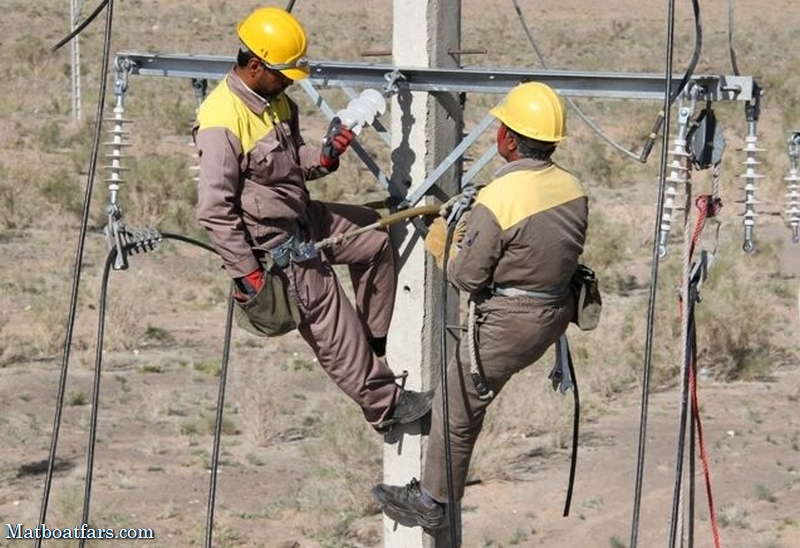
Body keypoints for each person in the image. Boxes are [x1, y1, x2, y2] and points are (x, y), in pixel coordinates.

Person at [194, 6, 433, 433]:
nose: (289, 81)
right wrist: (248, 273)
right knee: (330, 322)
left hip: (304, 215)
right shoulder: (221, 120)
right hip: (273, 243)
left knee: (374, 236)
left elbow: (291, 163)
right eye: (283, 73)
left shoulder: (276, 100)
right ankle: (385, 406)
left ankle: (372, 343)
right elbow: (215, 209)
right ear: (254, 66)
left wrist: (324, 156)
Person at [372, 82, 589, 529]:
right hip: (553, 312)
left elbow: (467, 276)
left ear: (507, 139)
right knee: (464, 398)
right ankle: (436, 487)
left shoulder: (500, 199)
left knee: (456, 408)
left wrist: (445, 244)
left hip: (511, 322)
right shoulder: (572, 187)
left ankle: (431, 502)